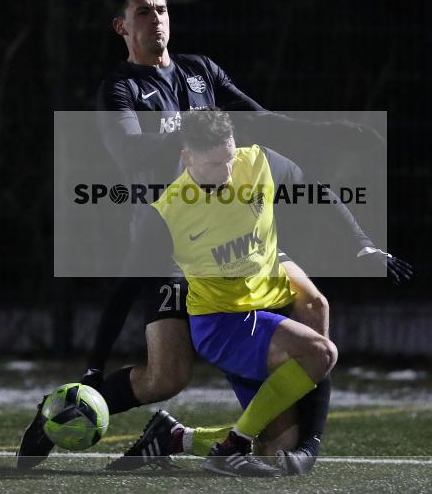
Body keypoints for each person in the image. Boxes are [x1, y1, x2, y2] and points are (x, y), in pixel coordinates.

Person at [16, 0, 411, 472]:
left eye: (161, 10)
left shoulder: (200, 71)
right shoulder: (120, 88)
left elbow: (258, 119)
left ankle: (266, 444)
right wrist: (194, 130)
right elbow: (130, 153)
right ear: (121, 26)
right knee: (167, 377)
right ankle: (63, 414)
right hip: (173, 244)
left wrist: (327, 132)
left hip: (236, 235)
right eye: (143, 12)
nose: (156, 19)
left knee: (314, 305)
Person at [107, 109, 339, 476]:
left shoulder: (255, 162)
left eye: (230, 158)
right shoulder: (169, 211)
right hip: (223, 325)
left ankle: (177, 437)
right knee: (321, 352)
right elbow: (127, 286)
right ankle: (231, 448)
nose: (228, 172)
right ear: (188, 159)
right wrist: (93, 366)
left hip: (254, 315)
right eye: (217, 164)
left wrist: (363, 244)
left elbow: (312, 188)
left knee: (277, 450)